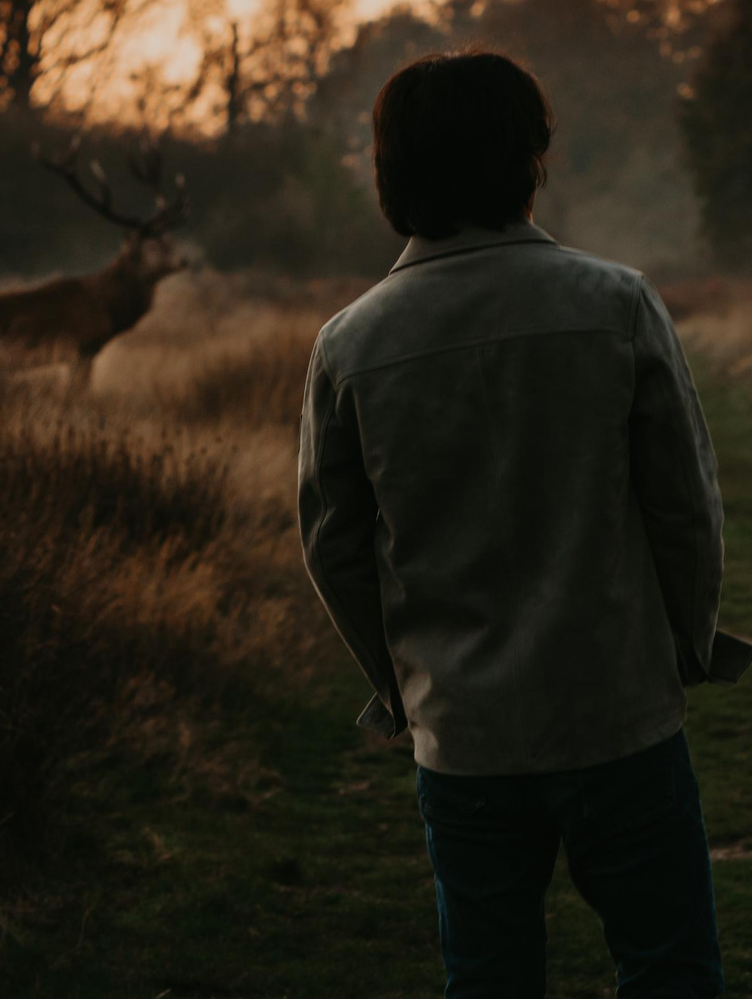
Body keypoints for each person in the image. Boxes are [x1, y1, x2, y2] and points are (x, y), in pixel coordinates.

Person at [297, 49, 727, 998]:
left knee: (488, 980)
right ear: (528, 158)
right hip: (620, 711)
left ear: (390, 173)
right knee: (669, 970)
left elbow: (334, 547)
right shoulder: (615, 302)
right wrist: (680, 650)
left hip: (464, 732)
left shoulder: (350, 344)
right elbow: (685, 508)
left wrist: (402, 681)